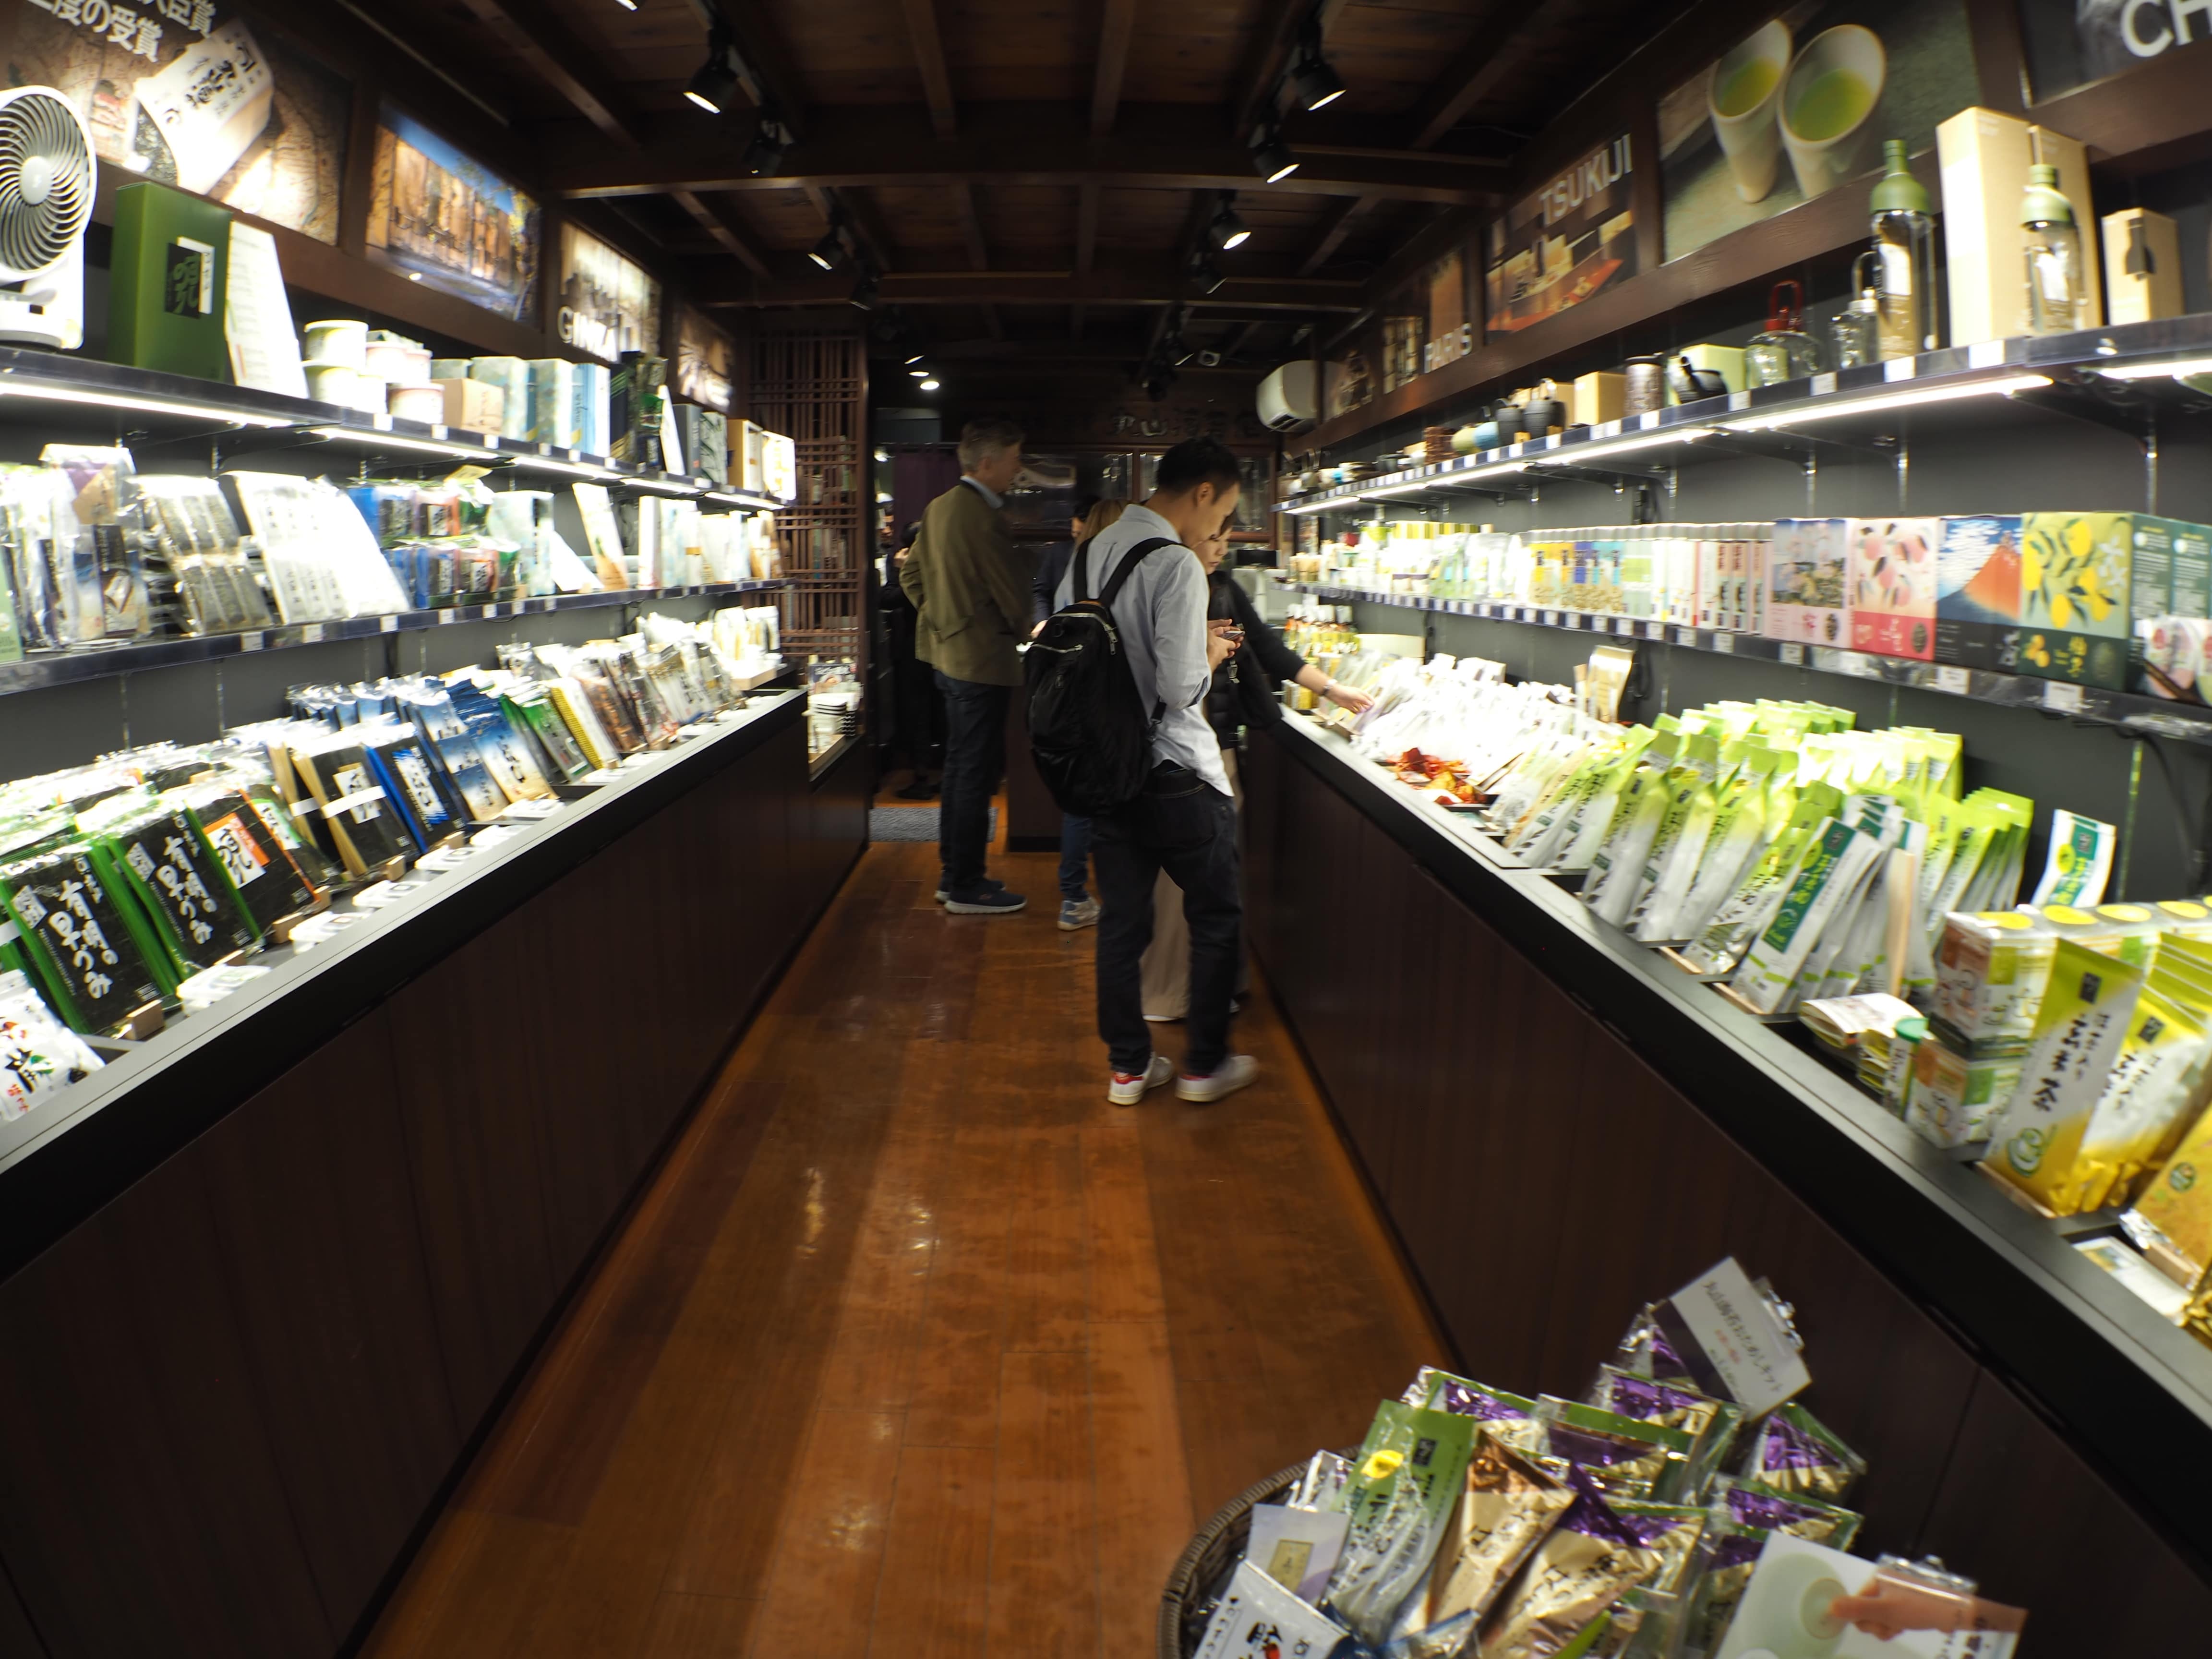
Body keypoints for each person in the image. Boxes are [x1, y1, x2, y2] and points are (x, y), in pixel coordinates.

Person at [1055, 437, 1249, 1106]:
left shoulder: (1089, 554)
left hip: (1107, 772)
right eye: (1223, 510)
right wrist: (1213, 652)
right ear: (1204, 493)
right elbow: (1179, 687)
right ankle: (1203, 1066)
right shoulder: (1176, 562)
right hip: (1178, 773)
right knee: (1217, 915)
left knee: (1122, 923)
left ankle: (1129, 1070)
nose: (1218, 528)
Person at [1137, 532, 1373, 1021]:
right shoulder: (1166, 590)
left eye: (1225, 537)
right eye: (1213, 534)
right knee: (1188, 880)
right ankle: (1172, 993)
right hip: (1181, 756)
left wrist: (1333, 690)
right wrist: (1209, 653)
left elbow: (1271, 651)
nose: (1220, 546)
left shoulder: (1222, 589)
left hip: (1216, 749)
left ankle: (1206, 986)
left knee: (1214, 877)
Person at [900, 419, 1032, 915]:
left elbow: (910, 573)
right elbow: (1014, 595)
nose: (1018, 469)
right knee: (975, 773)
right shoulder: (983, 517)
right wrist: (1025, 629)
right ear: (987, 463)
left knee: (959, 769)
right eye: (1015, 459)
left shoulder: (938, 508)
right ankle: (966, 886)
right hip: (981, 661)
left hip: (946, 656)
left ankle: (952, 873)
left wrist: (938, 619)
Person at [1046, 497, 1130, 934]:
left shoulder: (1075, 568)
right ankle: (1121, 897)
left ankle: (1074, 896)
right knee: (1119, 799)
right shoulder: (1130, 567)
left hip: (1073, 695)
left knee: (1080, 800)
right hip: (1115, 698)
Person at [880, 520, 943, 799]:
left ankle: (922, 776)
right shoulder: (943, 564)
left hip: (916, 649)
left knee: (918, 713)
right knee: (939, 711)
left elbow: (888, 598)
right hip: (943, 646)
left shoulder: (914, 569)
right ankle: (940, 773)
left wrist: (898, 570)